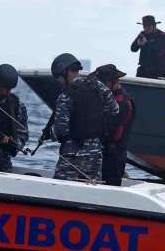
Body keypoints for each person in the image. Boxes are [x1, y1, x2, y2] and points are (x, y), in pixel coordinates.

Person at [51, 53, 119, 181]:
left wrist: (53, 134)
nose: (59, 82)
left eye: (59, 78)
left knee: (61, 190)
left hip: (72, 156)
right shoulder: (98, 86)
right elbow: (115, 110)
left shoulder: (65, 96)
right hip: (95, 154)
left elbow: (61, 131)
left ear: (65, 73)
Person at [96, 64, 135, 186]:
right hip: (109, 152)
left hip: (113, 154)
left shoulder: (121, 102)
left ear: (109, 83)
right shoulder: (114, 97)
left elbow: (116, 132)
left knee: (110, 185)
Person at [130, 15, 165, 79]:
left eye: (148, 26)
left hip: (159, 71)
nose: (146, 28)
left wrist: (146, 43)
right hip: (144, 70)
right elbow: (133, 49)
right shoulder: (142, 34)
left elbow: (159, 53)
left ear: (154, 26)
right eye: (144, 26)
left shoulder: (163, 36)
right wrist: (138, 44)